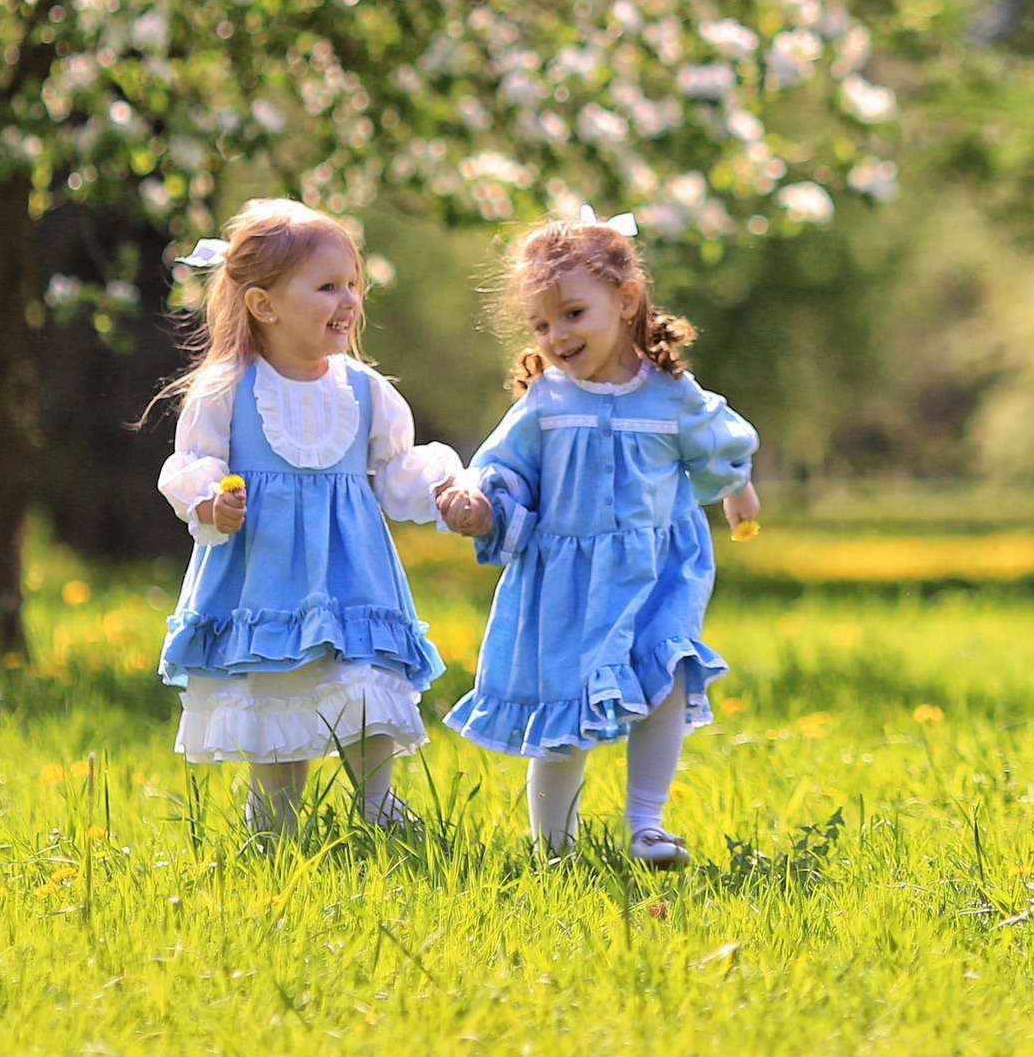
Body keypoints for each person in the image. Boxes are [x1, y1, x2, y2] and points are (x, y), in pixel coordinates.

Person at [437, 208, 759, 868]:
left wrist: (738, 491)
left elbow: (715, 440)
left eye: (573, 314)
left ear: (626, 300)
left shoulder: (669, 392)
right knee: (564, 709)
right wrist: (481, 506)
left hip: (656, 573)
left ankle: (646, 824)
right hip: (567, 583)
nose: (557, 335)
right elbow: (504, 471)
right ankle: (554, 849)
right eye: (541, 323)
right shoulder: (546, 403)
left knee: (667, 674)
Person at [156, 198, 461, 830]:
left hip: (355, 573)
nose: (349, 300)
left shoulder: (364, 390)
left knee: (366, 678)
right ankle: (274, 815)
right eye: (327, 287)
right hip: (264, 573)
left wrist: (444, 490)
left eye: (354, 285)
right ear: (264, 305)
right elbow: (193, 463)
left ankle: (377, 804)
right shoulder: (227, 389)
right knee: (278, 684)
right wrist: (212, 503)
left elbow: (397, 471)